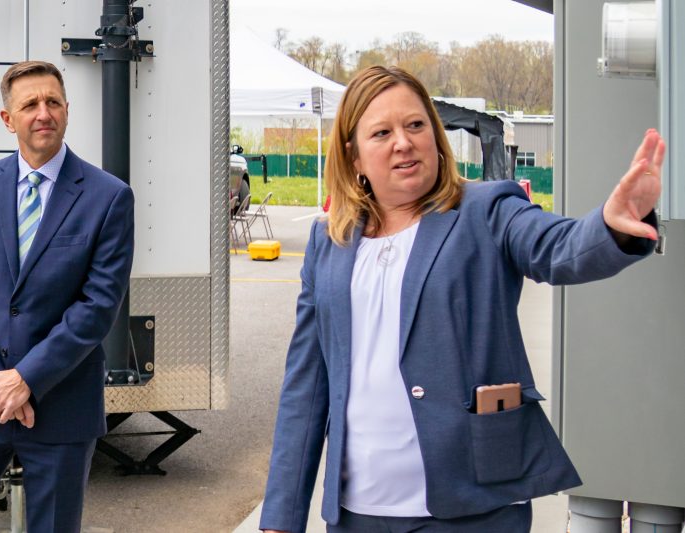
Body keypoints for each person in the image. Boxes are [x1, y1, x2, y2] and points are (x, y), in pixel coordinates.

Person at [259, 66, 664, 533]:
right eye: (382, 132)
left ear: (436, 135)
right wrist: (281, 518)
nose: (403, 142)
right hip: (358, 513)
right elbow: (306, 388)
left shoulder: (487, 211)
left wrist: (611, 225)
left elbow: (560, 248)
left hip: (472, 508)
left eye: (416, 125)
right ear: (353, 157)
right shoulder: (327, 243)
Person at [0, 61, 134, 532]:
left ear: (66, 110)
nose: (44, 113)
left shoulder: (109, 197)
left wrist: (28, 378)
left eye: (53, 102)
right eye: (30, 104)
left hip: (61, 407)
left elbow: (98, 305)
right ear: (8, 119)